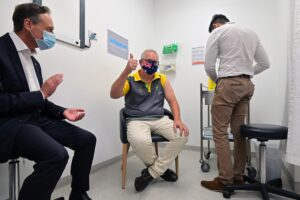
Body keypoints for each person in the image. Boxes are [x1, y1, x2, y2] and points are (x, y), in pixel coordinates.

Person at [0, 3, 96, 200]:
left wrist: (63, 112)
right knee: (57, 155)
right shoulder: (1, 51)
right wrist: (42, 93)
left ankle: (78, 194)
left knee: (87, 140)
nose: (52, 35)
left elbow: (38, 99)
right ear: (28, 24)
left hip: (36, 119)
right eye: (49, 30)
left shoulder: (32, 60)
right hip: (12, 123)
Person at [201, 14, 270, 192]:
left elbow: (209, 66)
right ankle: (238, 177)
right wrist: (245, 72)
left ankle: (225, 180)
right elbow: (265, 63)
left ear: (216, 24)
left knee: (219, 132)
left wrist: (220, 81)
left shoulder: (217, 32)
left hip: (228, 85)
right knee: (239, 132)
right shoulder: (252, 33)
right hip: (247, 86)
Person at [110, 49, 189, 192]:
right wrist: (126, 71)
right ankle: (162, 171)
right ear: (141, 62)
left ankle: (151, 173)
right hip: (136, 120)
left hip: (159, 118)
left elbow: (172, 100)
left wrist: (177, 119)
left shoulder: (162, 78)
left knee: (182, 134)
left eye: (155, 62)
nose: (152, 64)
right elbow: (113, 94)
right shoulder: (130, 79)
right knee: (140, 141)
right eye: (149, 61)